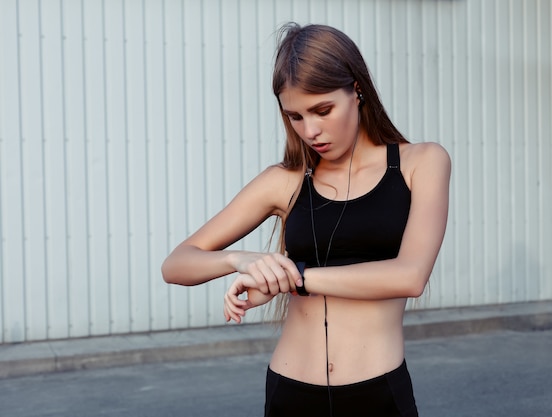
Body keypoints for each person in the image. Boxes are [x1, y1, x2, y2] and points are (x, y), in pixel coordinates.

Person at [162, 22, 450, 417]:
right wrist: (243, 262)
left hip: (378, 395)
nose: (310, 130)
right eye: (295, 116)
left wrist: (292, 278)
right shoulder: (284, 180)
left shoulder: (421, 163)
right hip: (290, 393)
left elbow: (410, 275)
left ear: (357, 89)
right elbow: (176, 264)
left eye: (323, 110)